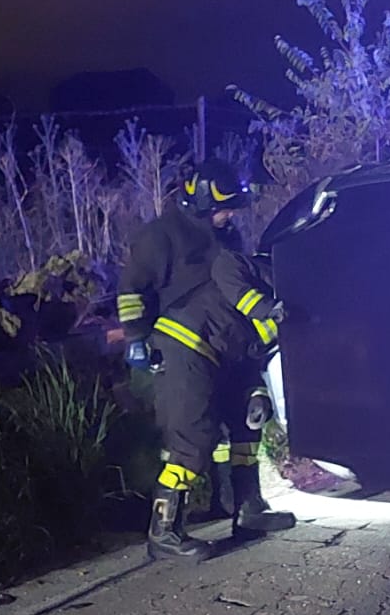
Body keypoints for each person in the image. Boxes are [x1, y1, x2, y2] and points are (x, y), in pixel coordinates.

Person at [117, 160, 295, 561]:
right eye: (223, 208)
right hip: (184, 344)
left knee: (250, 416)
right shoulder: (161, 236)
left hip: (229, 347)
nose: (229, 215)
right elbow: (132, 289)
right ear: (199, 198)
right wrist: (136, 338)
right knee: (193, 439)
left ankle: (247, 508)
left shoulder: (223, 235)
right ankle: (163, 532)